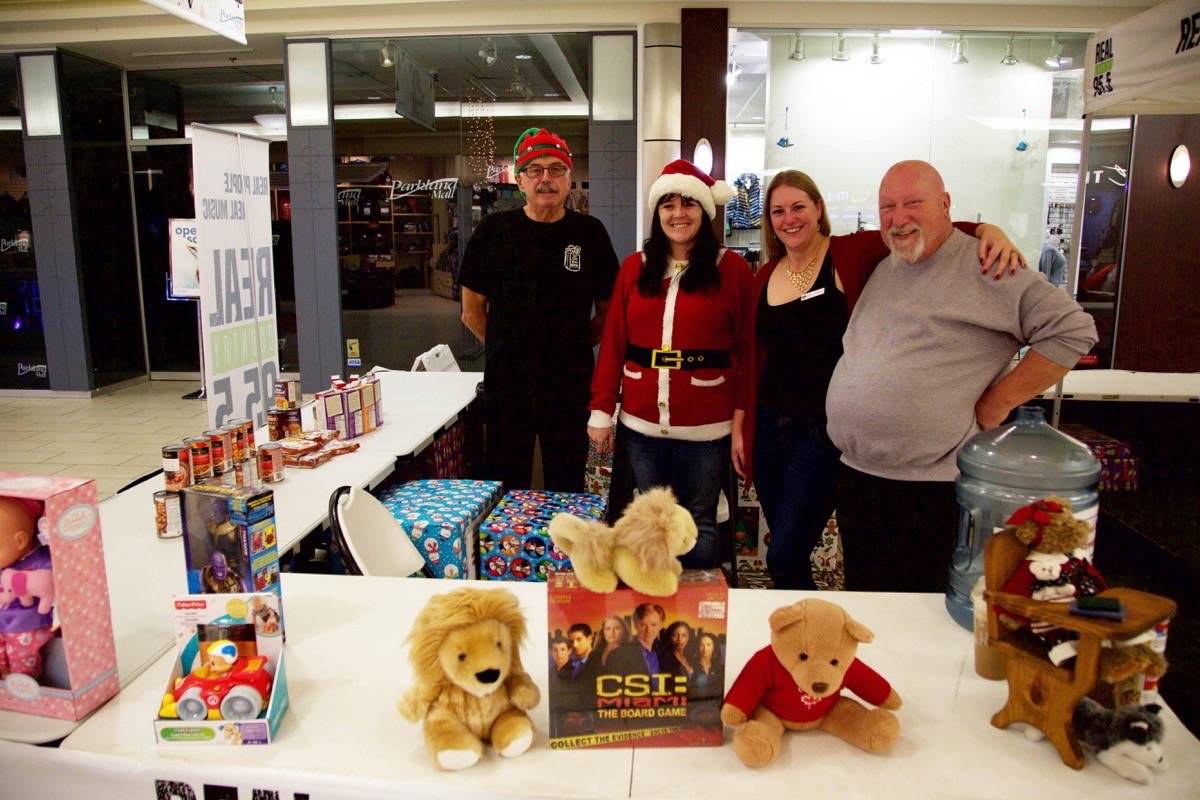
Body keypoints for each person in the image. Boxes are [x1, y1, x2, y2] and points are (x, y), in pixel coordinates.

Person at [735, 170, 1026, 590]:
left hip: (822, 435)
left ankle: (814, 635)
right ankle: (800, 631)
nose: (789, 219)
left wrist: (986, 229)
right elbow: (752, 356)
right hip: (769, 429)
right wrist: (742, 425)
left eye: (799, 207)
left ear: (819, 209)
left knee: (784, 553)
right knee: (782, 539)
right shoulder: (767, 274)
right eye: (778, 211)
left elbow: (922, 229)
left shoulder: (851, 253)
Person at [825, 160, 1098, 592]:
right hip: (860, 477)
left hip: (930, 488)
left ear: (945, 204)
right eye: (888, 207)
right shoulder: (884, 264)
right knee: (871, 607)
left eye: (913, 203)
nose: (898, 218)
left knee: (923, 617)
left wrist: (999, 402)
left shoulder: (988, 264)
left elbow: (1074, 330)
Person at [588, 160, 755, 569]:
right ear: (657, 212)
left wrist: (741, 422)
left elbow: (748, 350)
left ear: (704, 210)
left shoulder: (730, 270)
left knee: (698, 524)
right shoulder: (635, 267)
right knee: (650, 520)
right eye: (668, 204)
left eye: (688, 204)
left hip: (706, 427)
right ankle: (655, 600)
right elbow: (613, 344)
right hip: (642, 424)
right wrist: (601, 411)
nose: (678, 213)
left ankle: (695, 613)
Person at [459, 127, 620, 492]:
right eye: (535, 170)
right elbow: (471, 311)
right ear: (520, 180)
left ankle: (565, 549)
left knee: (567, 482)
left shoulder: (590, 234)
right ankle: (506, 549)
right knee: (504, 479)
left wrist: (576, 343)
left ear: (569, 178)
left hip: (570, 382)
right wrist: (507, 345)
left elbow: (609, 313)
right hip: (507, 382)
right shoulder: (493, 232)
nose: (546, 178)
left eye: (556, 169)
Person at [607, 604, 669, 677]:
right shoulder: (621, 653)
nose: (649, 630)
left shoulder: (665, 651)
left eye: (653, 625)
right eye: (643, 625)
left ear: (661, 625)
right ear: (635, 625)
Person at [691, 632, 723, 698]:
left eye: (708, 645)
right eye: (701, 645)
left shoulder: (720, 669)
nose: (705, 648)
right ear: (697, 647)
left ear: (714, 647)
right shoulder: (691, 667)